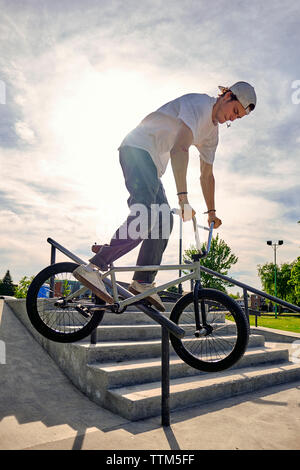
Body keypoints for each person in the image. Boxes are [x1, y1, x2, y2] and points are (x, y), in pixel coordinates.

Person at [73, 81, 257, 311]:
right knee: (147, 214)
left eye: (237, 119)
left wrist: (212, 212)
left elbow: (207, 175)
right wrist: (183, 199)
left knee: (164, 220)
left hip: (153, 166)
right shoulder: (198, 104)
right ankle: (93, 268)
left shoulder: (212, 135)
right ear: (227, 96)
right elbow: (179, 148)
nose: (231, 119)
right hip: (137, 149)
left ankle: (142, 281)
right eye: (235, 111)